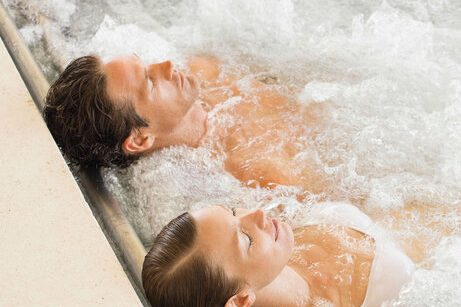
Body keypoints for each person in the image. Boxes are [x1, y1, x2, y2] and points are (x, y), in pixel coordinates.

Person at [43, 55, 314, 189]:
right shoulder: (252, 169)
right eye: (150, 82)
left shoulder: (202, 70)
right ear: (140, 138)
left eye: (147, 64)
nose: (168, 65)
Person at [141, 202, 415, 307]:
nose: (258, 214)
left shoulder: (289, 229)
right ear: (240, 300)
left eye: (234, 212)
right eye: (247, 239)